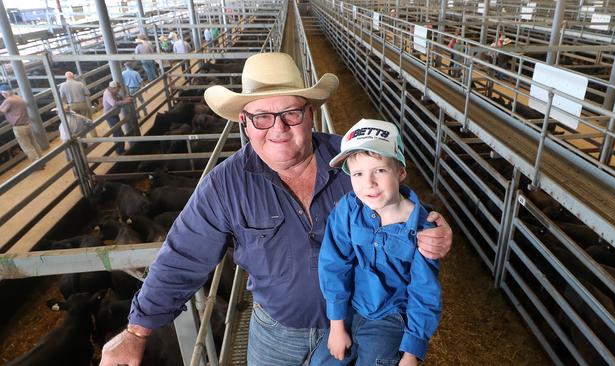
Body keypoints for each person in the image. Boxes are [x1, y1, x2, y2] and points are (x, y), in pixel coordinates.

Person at [99, 52, 452, 366]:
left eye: (290, 113)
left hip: (359, 321)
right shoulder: (225, 185)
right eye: (262, 117)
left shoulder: (352, 165)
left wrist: (433, 226)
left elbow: (399, 204)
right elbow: (183, 257)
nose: (278, 128)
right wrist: (136, 332)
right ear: (245, 124)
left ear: (310, 114)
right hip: (276, 334)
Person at [310, 119, 441, 366]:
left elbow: (424, 291)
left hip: (389, 318)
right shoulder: (348, 210)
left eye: (379, 170)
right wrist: (337, 324)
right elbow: (334, 264)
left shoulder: (422, 228)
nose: (368, 183)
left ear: (401, 172)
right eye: (358, 174)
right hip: (350, 308)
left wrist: (411, 352)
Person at [0, 87, 44, 166]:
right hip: (27, 124)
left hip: (19, 126)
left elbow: (2, 110)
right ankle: (42, 159)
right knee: (34, 143)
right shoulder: (18, 97)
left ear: (5, 93)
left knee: (27, 146)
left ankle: (37, 164)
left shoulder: (8, 101)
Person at [59, 71, 97, 137]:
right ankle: (94, 135)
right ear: (73, 76)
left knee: (77, 122)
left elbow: (62, 98)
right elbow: (88, 94)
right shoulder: (80, 84)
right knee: (88, 119)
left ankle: (82, 137)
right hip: (82, 104)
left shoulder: (63, 86)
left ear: (66, 78)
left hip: (72, 106)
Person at [102, 81, 132, 155]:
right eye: (117, 89)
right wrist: (125, 101)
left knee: (118, 132)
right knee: (118, 132)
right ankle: (119, 150)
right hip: (110, 115)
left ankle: (120, 149)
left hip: (114, 114)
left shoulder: (113, 92)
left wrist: (125, 98)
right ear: (113, 88)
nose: (118, 91)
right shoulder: (108, 93)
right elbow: (113, 103)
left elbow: (119, 97)